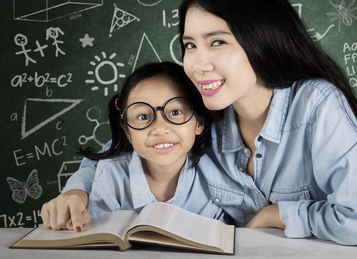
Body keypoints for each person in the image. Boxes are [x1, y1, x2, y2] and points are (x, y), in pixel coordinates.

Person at [44, 0, 357, 246]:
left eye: (218, 42)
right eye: (190, 45)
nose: (197, 63)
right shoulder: (202, 113)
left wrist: (278, 215)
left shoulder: (317, 104)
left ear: (262, 39)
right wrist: (77, 190)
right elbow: (124, 148)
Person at [40, 62, 225, 233]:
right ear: (127, 131)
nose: (160, 128)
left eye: (175, 112)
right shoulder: (111, 176)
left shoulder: (216, 173)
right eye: (143, 117)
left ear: (199, 122)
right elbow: (95, 238)